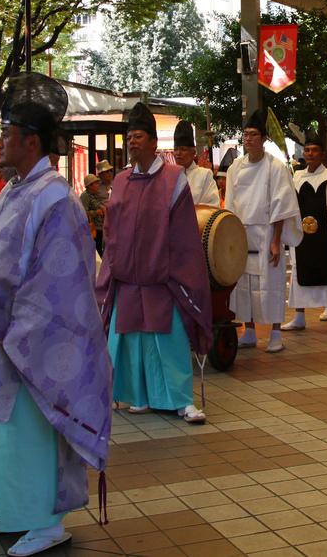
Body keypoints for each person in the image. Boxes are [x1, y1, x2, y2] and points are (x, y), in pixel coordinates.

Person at [0, 73, 111, 555]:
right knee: (2, 431)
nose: (0, 141)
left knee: (31, 432)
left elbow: (60, 284)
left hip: (30, 342)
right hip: (2, 339)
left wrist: (13, 329)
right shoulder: (12, 189)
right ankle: (11, 511)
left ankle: (47, 521)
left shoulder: (55, 197)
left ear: (31, 142)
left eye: (7, 133)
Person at [97, 102, 211, 421]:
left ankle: (181, 398)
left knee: (168, 339)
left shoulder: (174, 178)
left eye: (138, 136)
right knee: (132, 338)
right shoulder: (120, 181)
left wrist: (175, 270)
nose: (132, 142)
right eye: (129, 136)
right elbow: (112, 230)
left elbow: (184, 231)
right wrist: (113, 266)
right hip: (128, 279)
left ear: (153, 142)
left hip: (163, 277)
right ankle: (140, 394)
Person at [226, 109, 303, 352]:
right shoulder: (234, 168)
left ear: (263, 138)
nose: (248, 139)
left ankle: (276, 334)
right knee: (244, 285)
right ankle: (248, 331)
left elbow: (282, 205)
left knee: (272, 284)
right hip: (241, 232)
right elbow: (230, 204)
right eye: (245, 134)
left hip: (267, 232)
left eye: (253, 134)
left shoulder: (276, 167)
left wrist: (276, 240)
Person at [281, 131, 327, 334]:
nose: (310, 154)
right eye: (307, 150)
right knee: (299, 273)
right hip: (302, 235)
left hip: (325, 234)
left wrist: (316, 218)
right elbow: (292, 204)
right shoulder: (297, 176)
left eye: (314, 150)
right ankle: (299, 317)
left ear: (322, 154)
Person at [172, 119, 220, 207]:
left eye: (183, 149)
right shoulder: (170, 176)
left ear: (193, 152)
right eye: (176, 149)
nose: (178, 153)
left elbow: (212, 207)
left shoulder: (204, 175)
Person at [80, 174, 107, 254]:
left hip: (98, 227)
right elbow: (83, 212)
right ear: (90, 185)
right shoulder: (85, 196)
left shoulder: (93, 195)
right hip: (92, 228)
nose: (98, 185)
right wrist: (96, 212)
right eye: (96, 183)